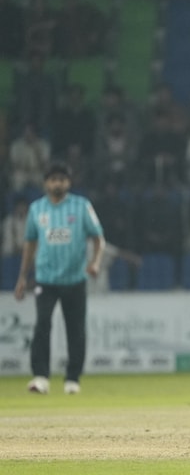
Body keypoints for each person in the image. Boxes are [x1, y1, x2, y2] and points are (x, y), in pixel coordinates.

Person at [14, 161, 104, 395]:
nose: (57, 183)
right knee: (42, 324)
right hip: (46, 279)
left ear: (69, 182)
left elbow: (98, 238)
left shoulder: (81, 206)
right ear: (46, 183)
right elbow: (30, 244)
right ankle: (41, 377)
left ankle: (72, 379)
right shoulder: (37, 209)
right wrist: (23, 276)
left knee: (75, 330)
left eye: (62, 179)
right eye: (53, 179)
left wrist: (95, 262)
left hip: (75, 278)